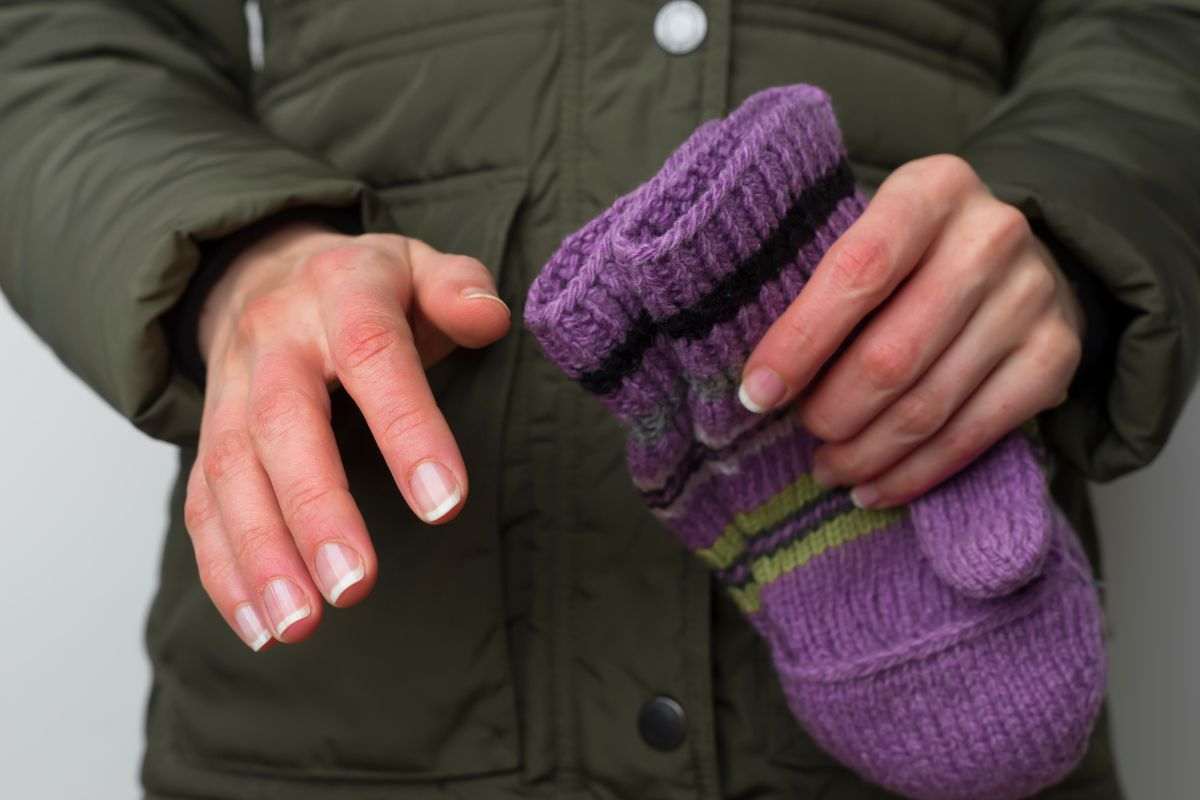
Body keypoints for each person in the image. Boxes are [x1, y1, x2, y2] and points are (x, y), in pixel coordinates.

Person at [1, 2, 1197, 798]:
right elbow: (56, 33)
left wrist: (1069, 228)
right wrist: (233, 257)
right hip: (347, 715)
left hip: (931, 540)